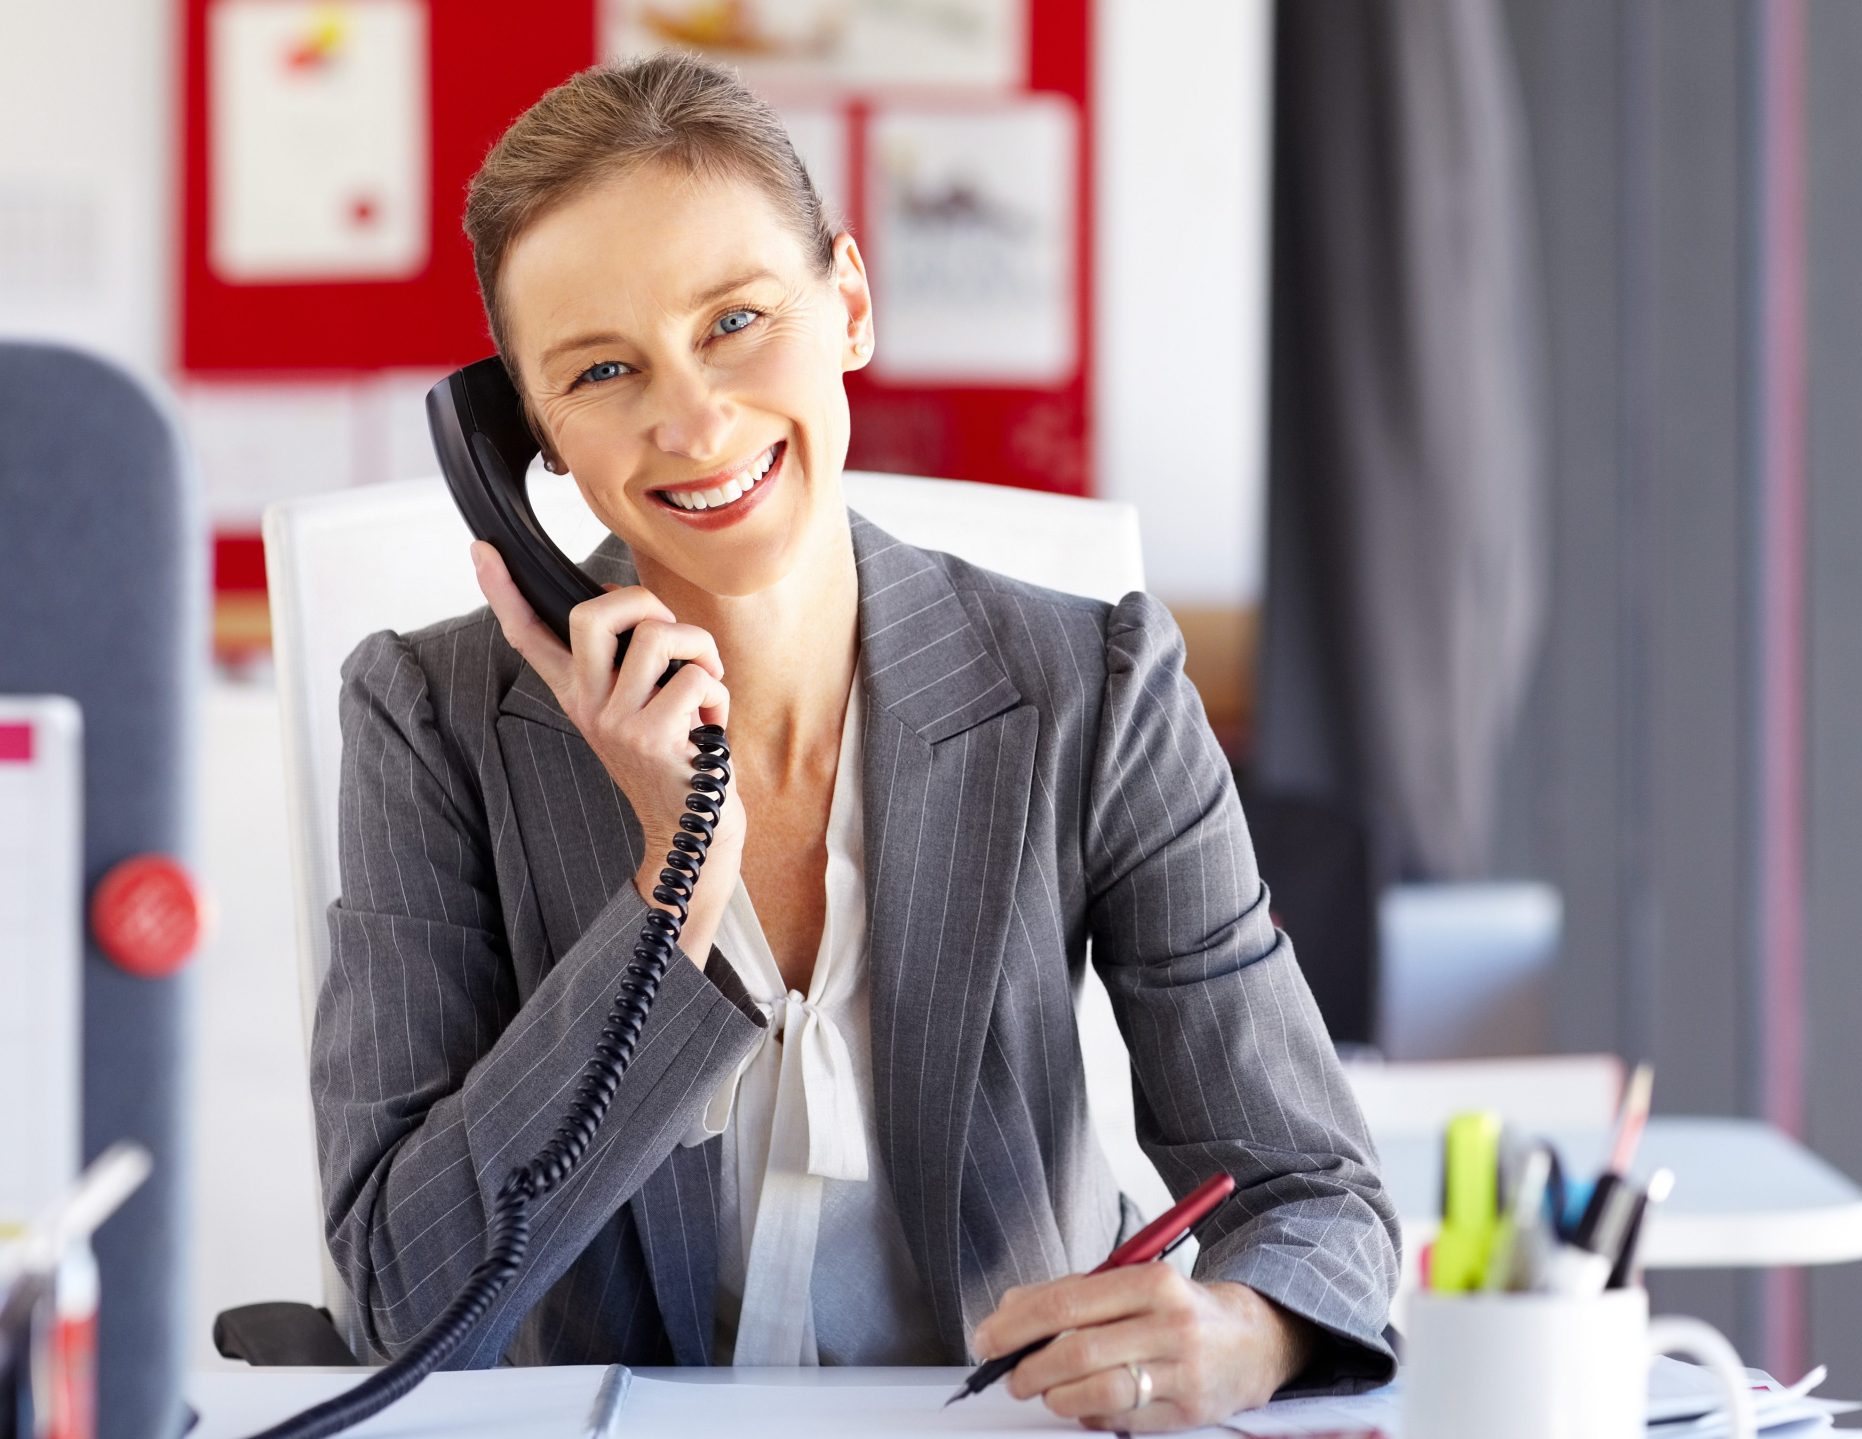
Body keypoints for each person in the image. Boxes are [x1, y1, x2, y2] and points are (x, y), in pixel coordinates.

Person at [309, 52, 1398, 1432]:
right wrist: (673, 887)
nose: (692, 418)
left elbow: (1317, 1196)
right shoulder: (430, 721)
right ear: (528, 441)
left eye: (737, 321)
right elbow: (401, 1305)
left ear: (852, 304)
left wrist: (1244, 1332)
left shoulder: (1096, 687)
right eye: (601, 368)